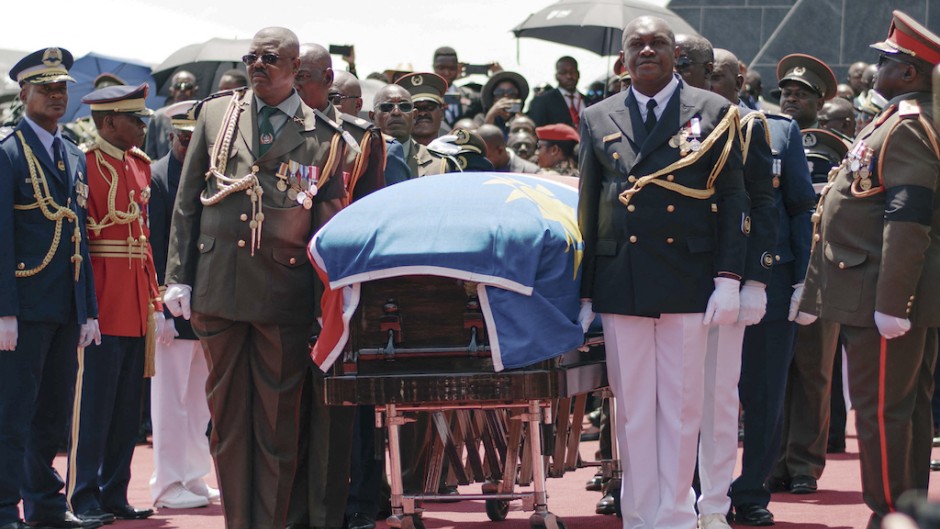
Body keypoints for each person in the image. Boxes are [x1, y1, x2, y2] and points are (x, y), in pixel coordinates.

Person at [163, 27, 348, 529]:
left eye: (270, 58)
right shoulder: (216, 114)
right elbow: (186, 204)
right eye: (251, 57)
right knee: (227, 424)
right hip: (218, 287)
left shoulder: (325, 138)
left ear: (295, 67)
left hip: (282, 297)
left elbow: (325, 231)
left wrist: (325, 304)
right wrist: (177, 276)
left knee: (276, 428)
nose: (257, 65)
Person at [578, 15, 748, 529]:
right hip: (622, 276)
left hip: (688, 275)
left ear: (676, 54)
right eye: (637, 44)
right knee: (631, 409)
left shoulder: (713, 110)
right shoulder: (598, 115)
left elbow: (735, 198)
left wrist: (729, 277)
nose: (647, 50)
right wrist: (585, 289)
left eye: (657, 43)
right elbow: (590, 206)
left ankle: (674, 514)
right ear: (623, 59)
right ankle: (639, 515)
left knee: (680, 407)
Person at [797, 11, 940, 529]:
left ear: (910, 74)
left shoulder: (907, 126)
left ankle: (889, 512)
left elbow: (908, 220)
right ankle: (907, 507)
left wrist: (890, 302)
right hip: (872, 284)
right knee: (904, 408)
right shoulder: (896, 119)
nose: (877, 66)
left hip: (880, 289)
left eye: (888, 60)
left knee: (883, 411)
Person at [0, 46, 101, 529]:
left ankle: (44, 506)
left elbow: (82, 236)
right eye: (47, 88)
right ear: (25, 93)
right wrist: (3, 311)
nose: (57, 96)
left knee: (53, 416)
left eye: (63, 88)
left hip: (63, 304)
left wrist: (89, 311)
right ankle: (4, 510)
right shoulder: (7, 152)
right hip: (22, 303)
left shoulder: (74, 155)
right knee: (12, 415)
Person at [687, 45, 778, 529]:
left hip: (728, 275)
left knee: (720, 398)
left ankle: (714, 504)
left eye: (704, 72)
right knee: (670, 401)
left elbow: (764, 207)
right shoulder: (669, 121)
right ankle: (674, 497)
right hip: (674, 276)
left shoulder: (748, 126)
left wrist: (756, 279)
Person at [67, 82, 160, 524]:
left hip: (137, 301)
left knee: (126, 409)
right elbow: (80, 242)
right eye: (134, 119)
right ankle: (82, 495)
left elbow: (143, 240)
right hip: (103, 299)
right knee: (94, 408)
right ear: (108, 122)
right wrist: (85, 308)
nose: (142, 126)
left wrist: (154, 297)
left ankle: (114, 491)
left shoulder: (139, 166)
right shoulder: (83, 164)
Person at [770, 52, 842, 498]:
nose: (792, 98)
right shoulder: (766, 137)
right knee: (772, 370)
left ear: (819, 102)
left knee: (813, 371)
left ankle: (804, 464)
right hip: (777, 269)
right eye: (786, 93)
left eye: (802, 94)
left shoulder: (836, 148)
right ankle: (771, 459)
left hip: (820, 272)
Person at [148, 100, 217, 510]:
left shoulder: (209, 176)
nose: (189, 145)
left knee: (198, 400)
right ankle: (167, 481)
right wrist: (158, 306)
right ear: (172, 135)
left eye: (197, 139)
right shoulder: (158, 178)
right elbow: (155, 247)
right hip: (169, 307)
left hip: (202, 304)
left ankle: (192, 475)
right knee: (169, 401)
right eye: (184, 138)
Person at [371, 84, 445, 179]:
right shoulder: (359, 161)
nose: (396, 112)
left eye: (405, 107)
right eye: (387, 107)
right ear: (372, 117)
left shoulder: (439, 166)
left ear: (414, 116)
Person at [144, 70, 197, 159]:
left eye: (187, 86)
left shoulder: (202, 115)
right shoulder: (158, 117)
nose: (182, 90)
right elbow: (150, 154)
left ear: (195, 90)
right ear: (171, 90)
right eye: (178, 86)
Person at [432, 46, 482, 129]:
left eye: (451, 68)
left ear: (458, 68)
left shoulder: (472, 96)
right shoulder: (424, 97)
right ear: (433, 67)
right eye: (441, 68)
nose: (447, 73)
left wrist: (497, 73)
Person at [527, 56, 583, 128]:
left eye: (572, 72)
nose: (569, 76)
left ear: (578, 74)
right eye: (563, 73)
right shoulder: (542, 101)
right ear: (556, 76)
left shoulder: (589, 102)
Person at [396, 72, 448, 144]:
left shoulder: (455, 151)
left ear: (442, 113)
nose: (422, 113)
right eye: (415, 108)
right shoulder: (393, 152)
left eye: (429, 107)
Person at [480, 71, 529, 136]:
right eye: (499, 92)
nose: (506, 96)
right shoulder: (481, 118)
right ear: (493, 98)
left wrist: (521, 121)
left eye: (511, 92)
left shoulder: (524, 118)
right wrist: (490, 116)